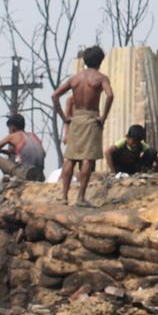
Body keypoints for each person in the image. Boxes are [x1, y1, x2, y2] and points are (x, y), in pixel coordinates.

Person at [53, 45, 113, 206]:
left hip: (76, 120)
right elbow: (110, 95)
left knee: (70, 158)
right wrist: (103, 117)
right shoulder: (100, 78)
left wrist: (64, 117)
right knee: (87, 158)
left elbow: (55, 95)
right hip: (92, 118)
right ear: (100, 61)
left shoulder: (75, 78)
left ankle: (64, 196)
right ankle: (80, 197)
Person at [0, 113, 47, 185]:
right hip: (40, 176)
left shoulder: (13, 136)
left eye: (9, 129)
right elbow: (42, 153)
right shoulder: (33, 136)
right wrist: (7, 151)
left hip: (25, 174)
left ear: (13, 128)